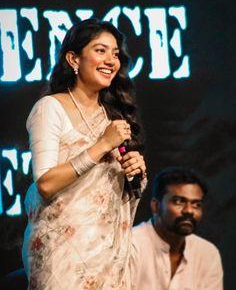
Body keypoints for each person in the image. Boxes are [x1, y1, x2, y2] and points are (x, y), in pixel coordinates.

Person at [22, 18, 147, 290]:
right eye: (100, 50)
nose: (111, 60)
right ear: (73, 59)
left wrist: (135, 171)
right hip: (63, 258)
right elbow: (45, 183)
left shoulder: (112, 115)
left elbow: (113, 194)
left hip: (107, 256)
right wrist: (101, 146)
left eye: (115, 53)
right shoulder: (49, 108)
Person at [131, 167, 223, 290]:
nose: (189, 211)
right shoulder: (131, 245)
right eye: (179, 201)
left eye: (196, 204)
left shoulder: (207, 253)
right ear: (156, 206)